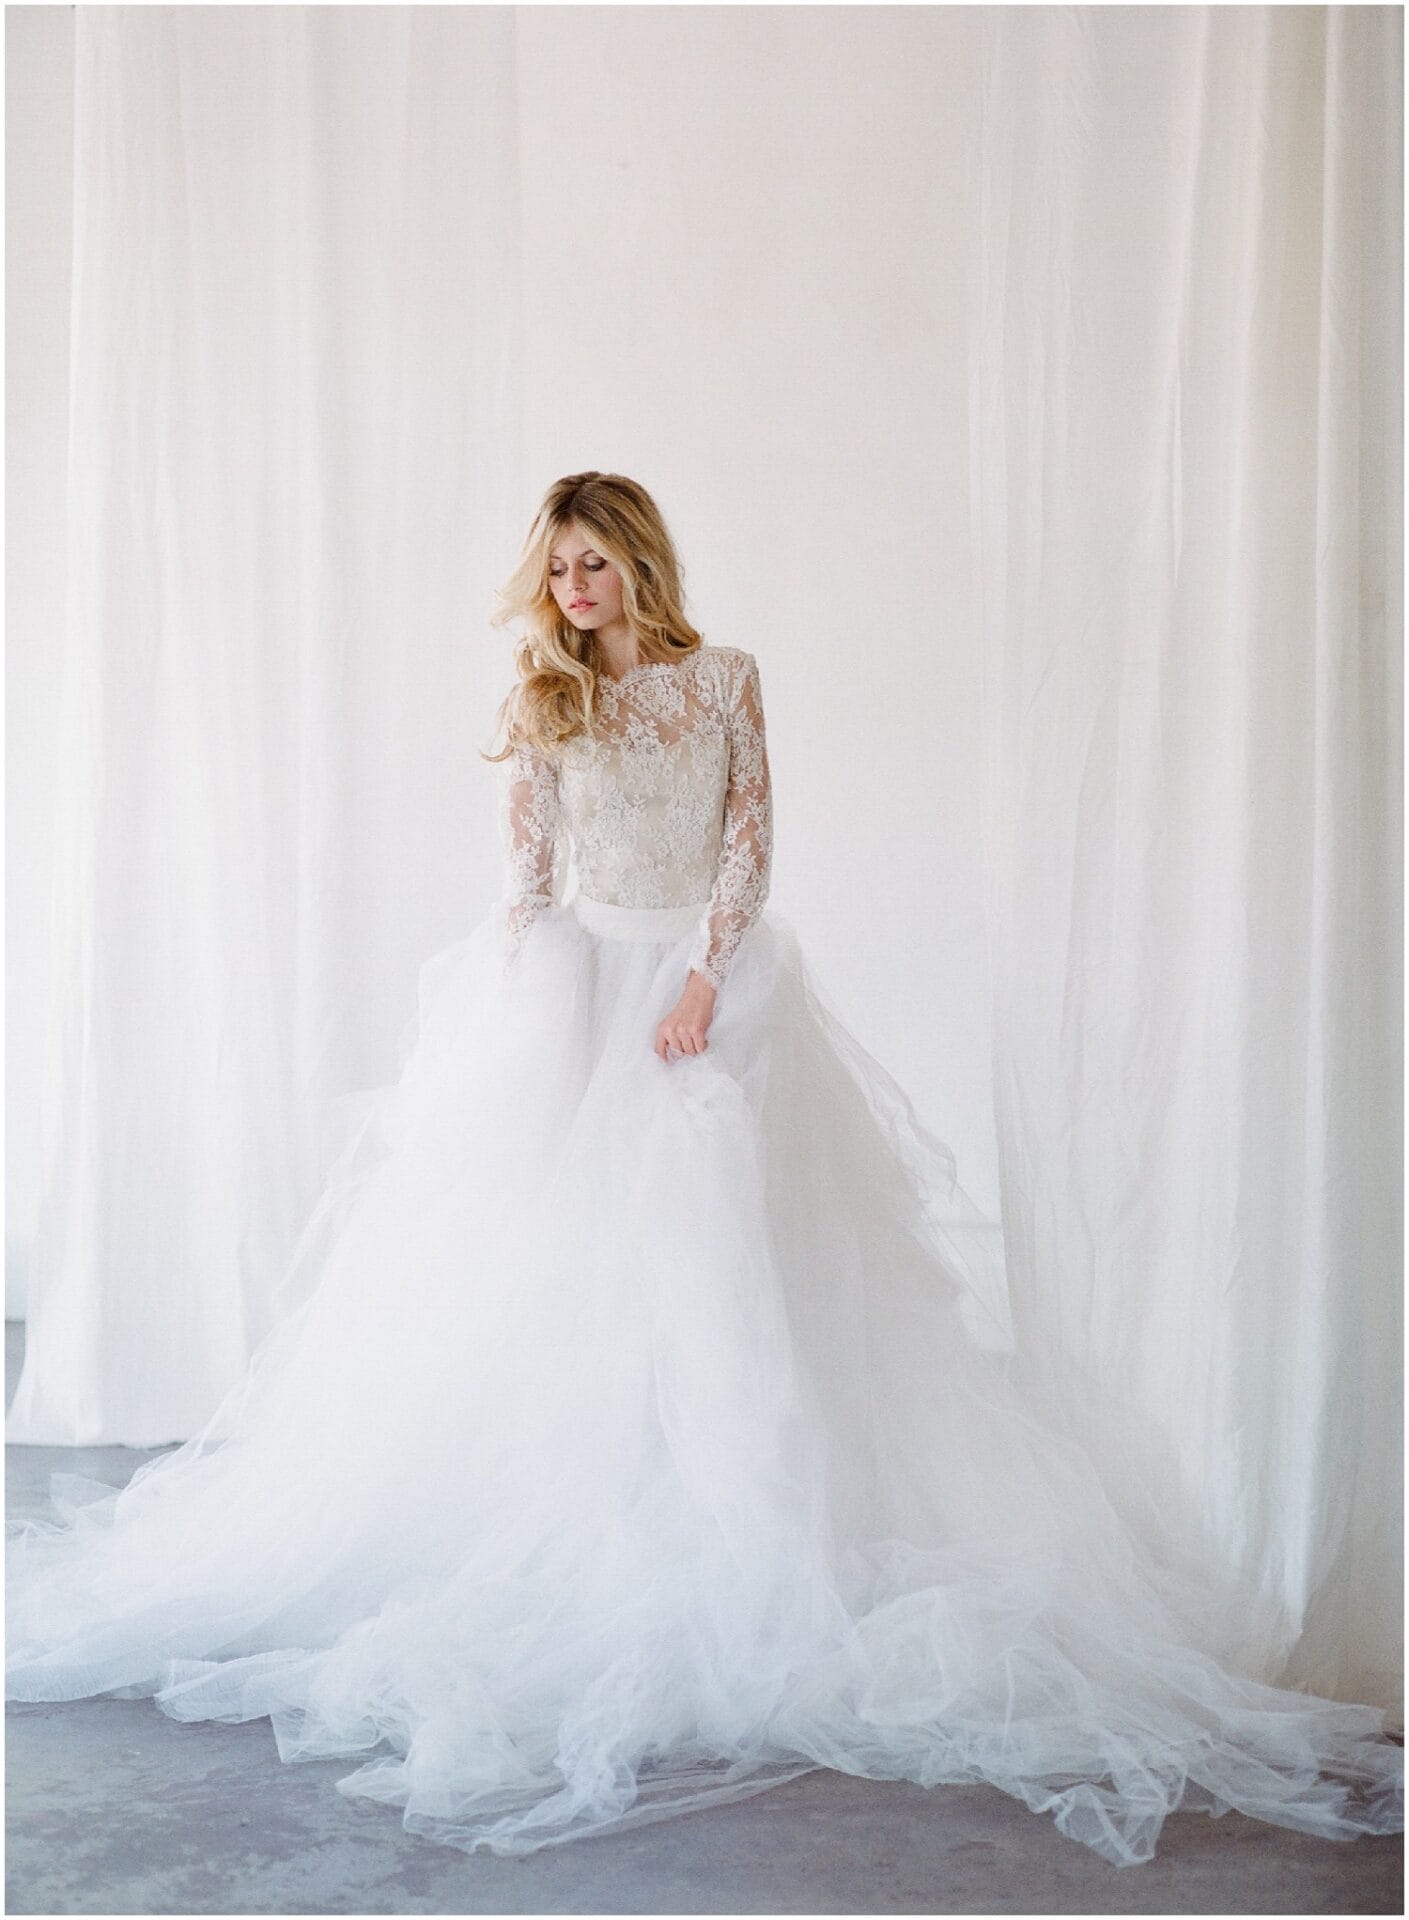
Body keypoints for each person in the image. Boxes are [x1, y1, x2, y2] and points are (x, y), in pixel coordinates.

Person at [7, 472, 1402, 1868]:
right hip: (580, 990)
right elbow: (528, 881)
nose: (574, 590)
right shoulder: (543, 699)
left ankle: (756, 1530)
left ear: (639, 563)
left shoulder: (723, 678)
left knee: (733, 1272)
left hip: (707, 989)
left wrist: (703, 977)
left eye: (594, 564)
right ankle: (591, 1525)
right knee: (569, 1277)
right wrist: (527, 1031)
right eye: (557, 570)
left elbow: (749, 838)